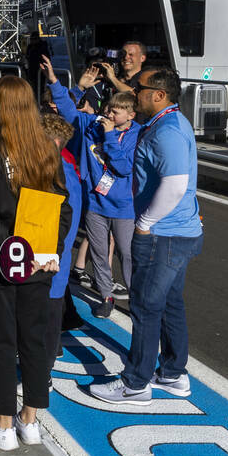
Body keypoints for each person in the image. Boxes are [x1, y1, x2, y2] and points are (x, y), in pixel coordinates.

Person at [0, 76, 71, 452]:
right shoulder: (46, 148)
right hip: (38, 261)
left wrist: (8, 247)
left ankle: (3, 424)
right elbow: (63, 207)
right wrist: (46, 249)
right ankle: (31, 419)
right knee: (34, 340)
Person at [91, 67, 203, 407]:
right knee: (170, 303)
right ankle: (173, 373)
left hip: (162, 233)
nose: (133, 91)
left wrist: (145, 223)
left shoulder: (166, 130)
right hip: (177, 231)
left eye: (140, 88)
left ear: (159, 95)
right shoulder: (170, 123)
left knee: (144, 305)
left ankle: (135, 383)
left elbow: (174, 183)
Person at [45, 56, 138, 318]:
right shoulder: (91, 125)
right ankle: (106, 296)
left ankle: (135, 298)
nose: (108, 114)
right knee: (99, 252)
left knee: (127, 254)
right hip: (95, 202)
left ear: (129, 115)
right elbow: (68, 112)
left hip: (123, 206)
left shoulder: (136, 134)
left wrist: (109, 135)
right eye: (108, 110)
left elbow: (122, 167)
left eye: (115, 112)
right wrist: (57, 82)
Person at [40, 113, 84, 360]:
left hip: (50, 259)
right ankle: (50, 351)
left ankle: (44, 371)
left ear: (54, 144)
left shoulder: (62, 175)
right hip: (49, 258)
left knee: (48, 314)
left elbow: (66, 226)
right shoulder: (55, 169)